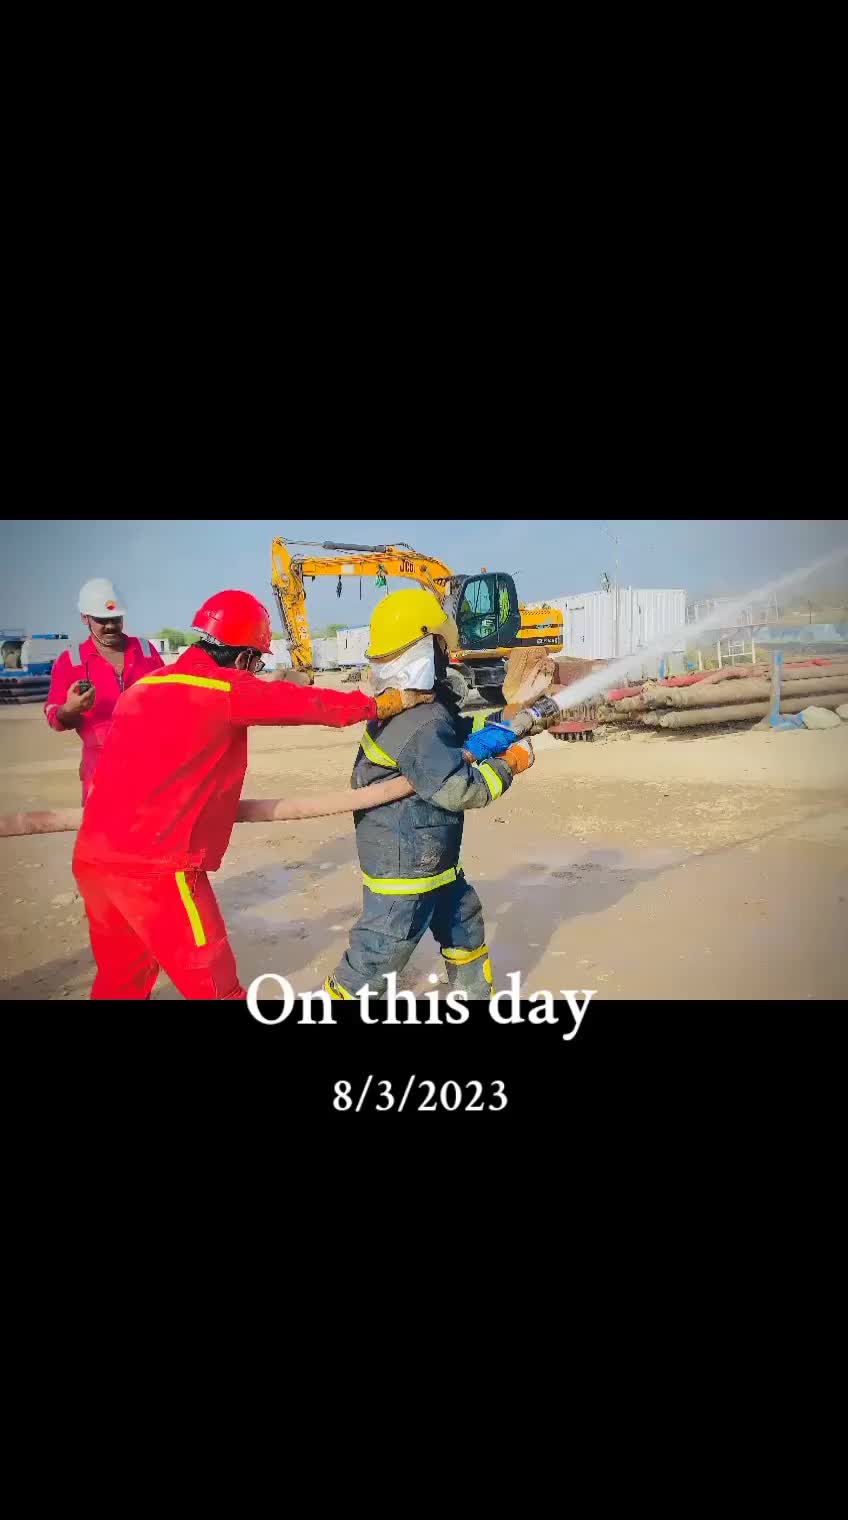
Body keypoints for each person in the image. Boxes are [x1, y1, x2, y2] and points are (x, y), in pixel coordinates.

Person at [72, 589, 433, 1000]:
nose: (256, 671)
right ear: (244, 658)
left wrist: (272, 682)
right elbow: (308, 705)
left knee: (121, 982)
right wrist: (380, 705)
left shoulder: (143, 687)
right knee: (217, 990)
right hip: (157, 869)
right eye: (256, 663)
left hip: (94, 859)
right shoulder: (224, 690)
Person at [324, 587, 534, 1003]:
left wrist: (509, 720)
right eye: (440, 646)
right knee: (378, 956)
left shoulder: (423, 712)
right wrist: (510, 764)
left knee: (464, 923)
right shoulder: (418, 723)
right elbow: (459, 788)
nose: (446, 655)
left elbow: (461, 736)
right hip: (404, 867)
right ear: (424, 649)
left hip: (433, 859)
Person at [44, 578, 164, 802]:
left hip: (149, 768)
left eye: (116, 619)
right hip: (99, 772)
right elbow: (54, 716)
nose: (110, 625)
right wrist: (69, 709)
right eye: (102, 620)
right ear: (85, 617)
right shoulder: (71, 660)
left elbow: (170, 701)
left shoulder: (146, 651)